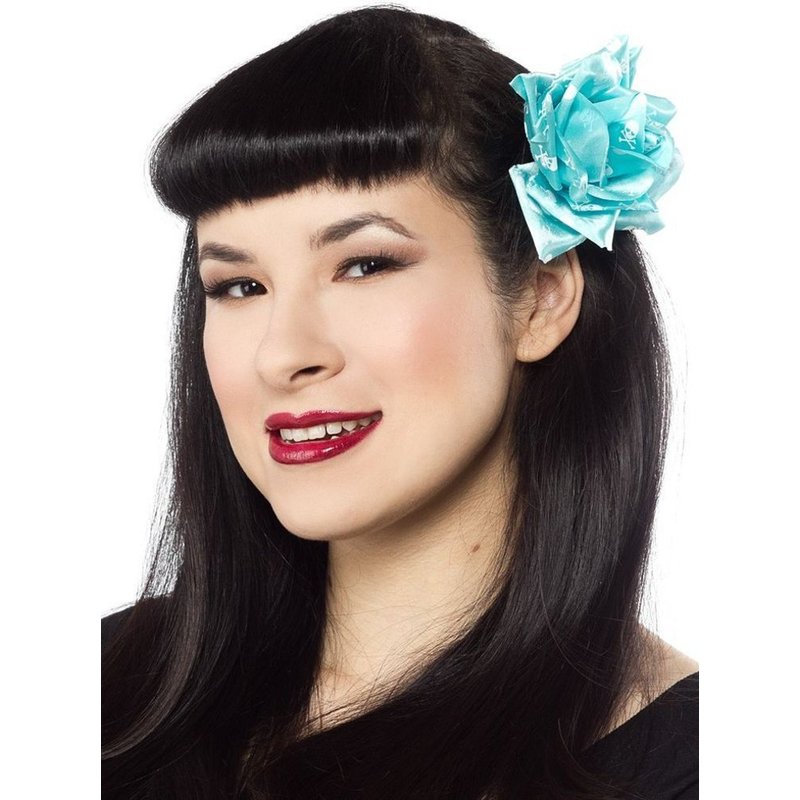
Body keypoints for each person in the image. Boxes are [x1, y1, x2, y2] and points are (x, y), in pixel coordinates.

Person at [102, 6, 698, 798]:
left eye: (364, 266)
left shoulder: (702, 763)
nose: (281, 354)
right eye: (239, 286)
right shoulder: (98, 682)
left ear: (541, 298)